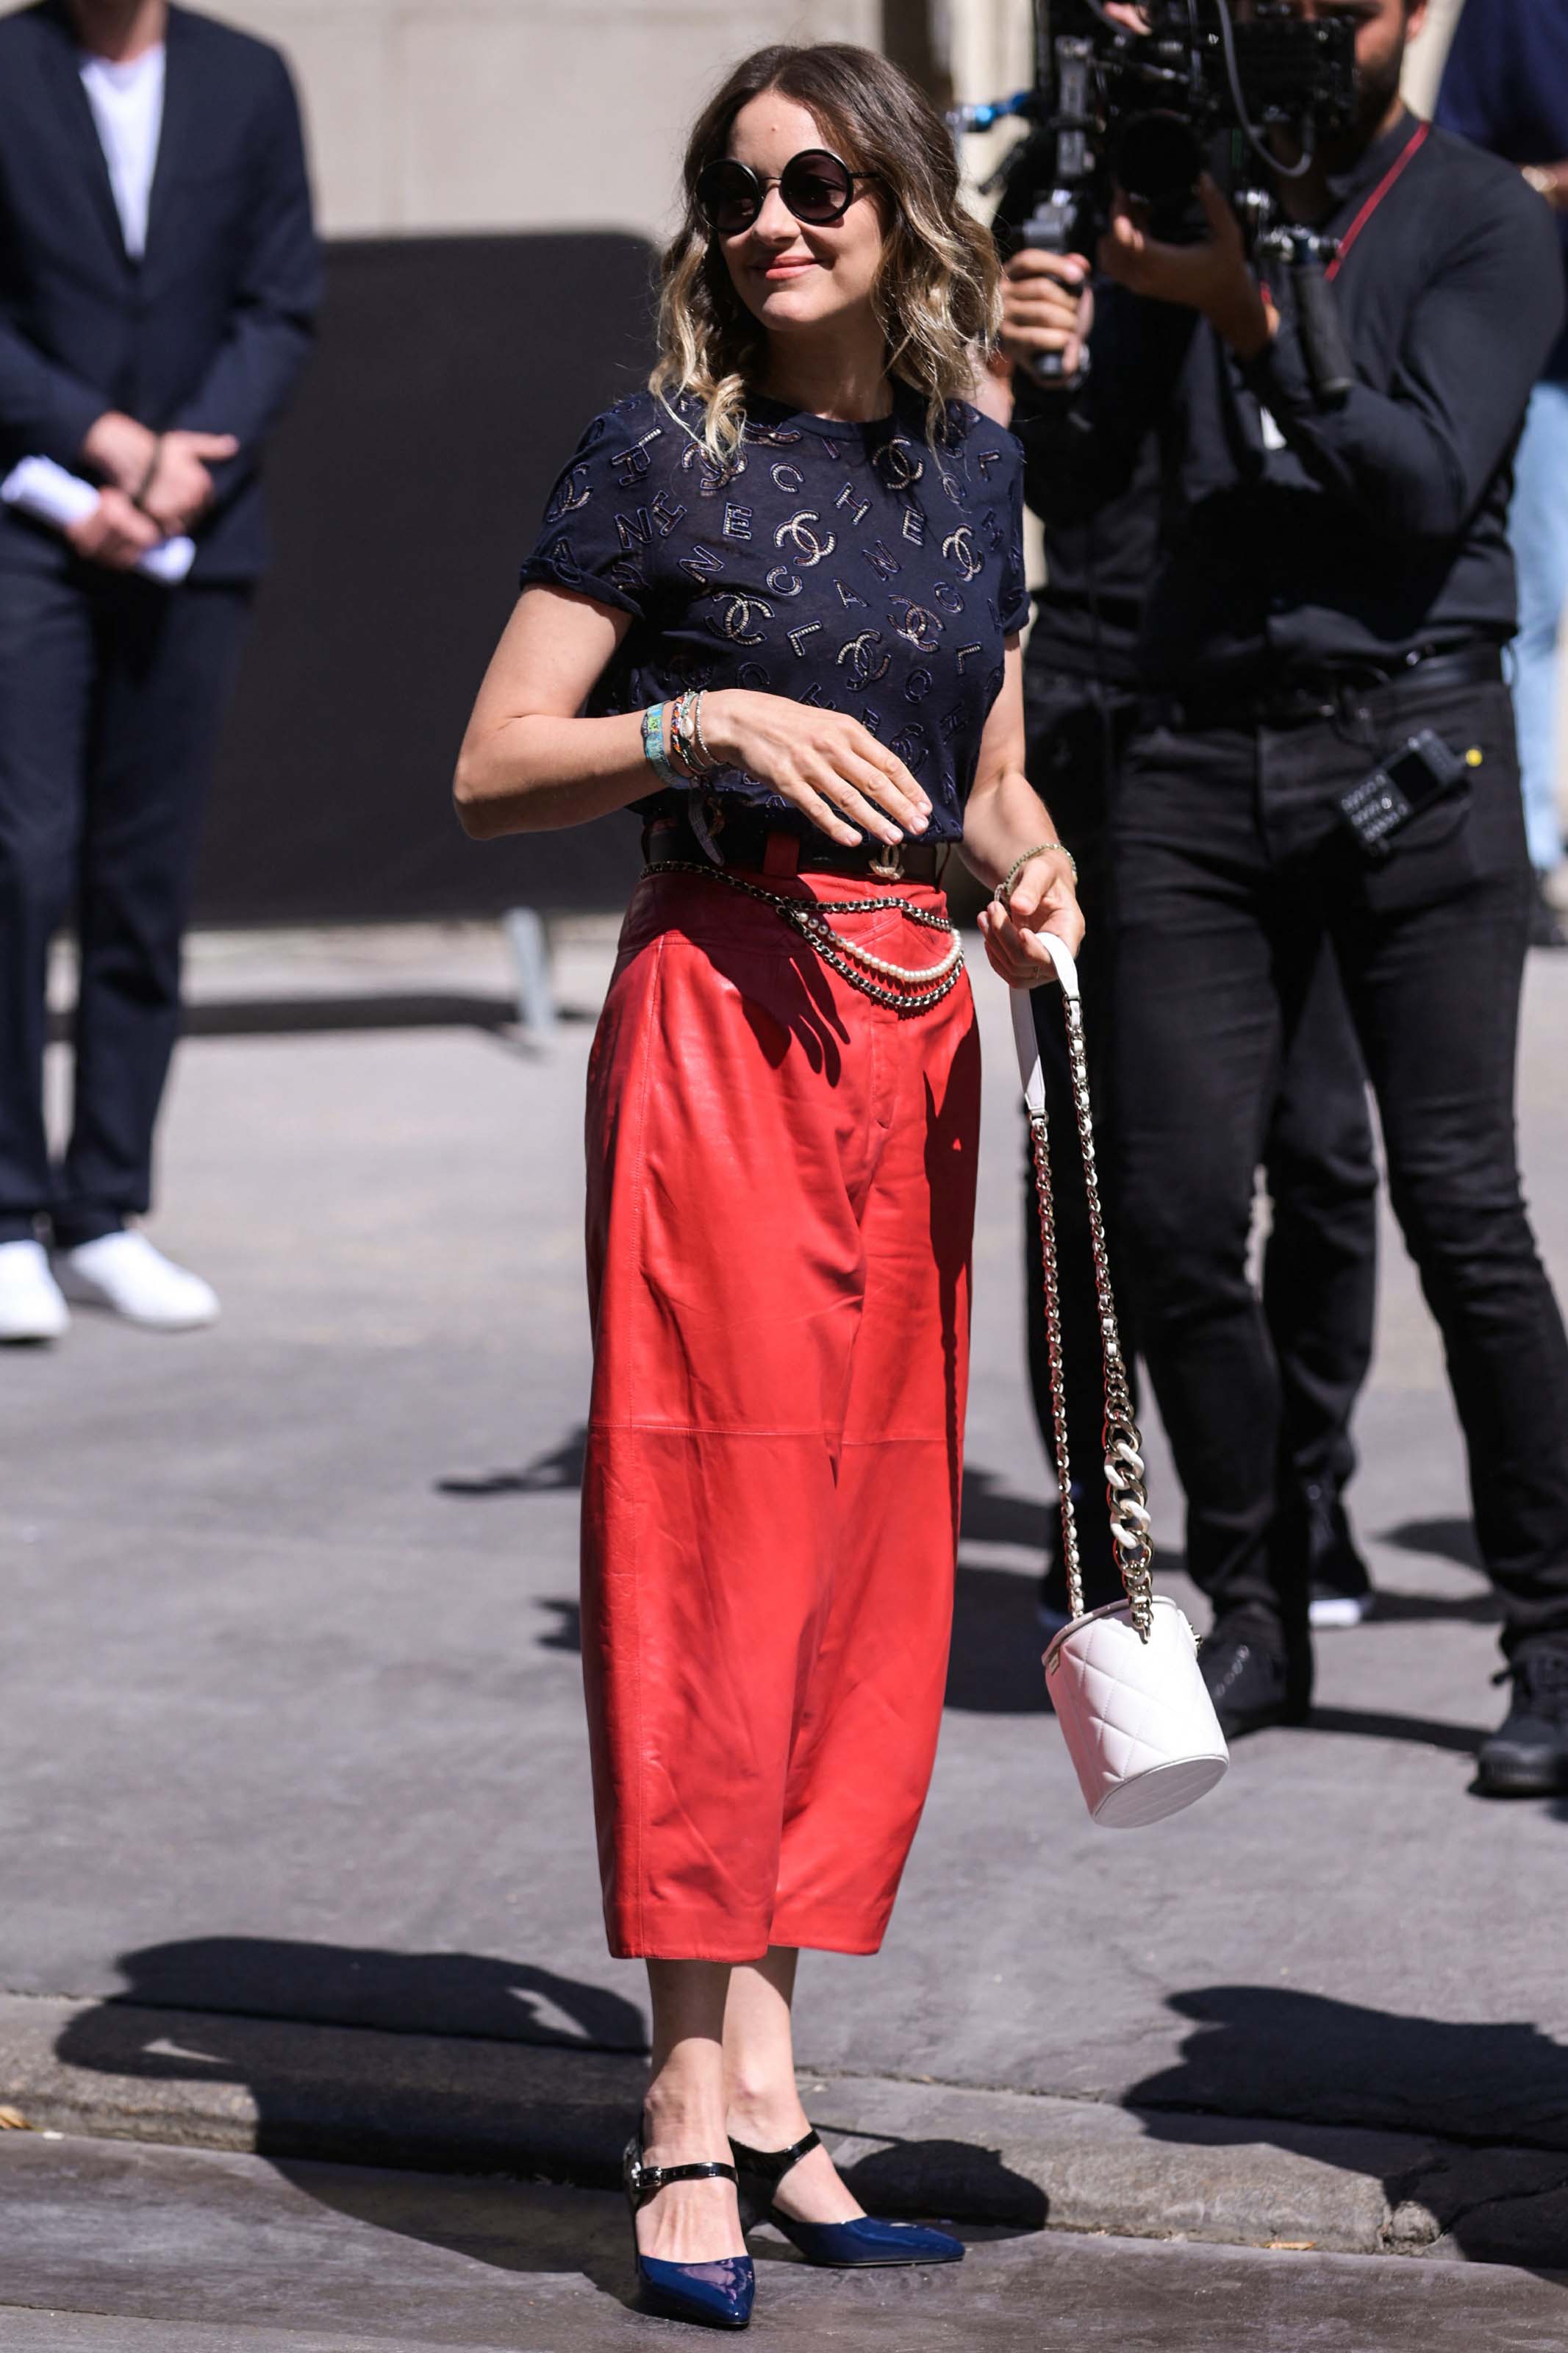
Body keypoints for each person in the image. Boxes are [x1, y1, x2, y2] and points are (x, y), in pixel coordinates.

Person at [456, 41, 1084, 2330]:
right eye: (736, 187)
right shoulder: (656, 455)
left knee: (861, 1559)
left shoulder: (974, 471)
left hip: (913, 1043)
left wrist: (1032, 883)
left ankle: (781, 2090)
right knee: (707, 1548)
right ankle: (676, 2116)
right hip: (721, 1027)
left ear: (902, 206)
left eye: (819, 179)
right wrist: (702, 724)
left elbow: (987, 781)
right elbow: (491, 762)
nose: (773, 217)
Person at [1003, 0, 1568, 1792]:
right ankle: (1254, 1601)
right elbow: (1088, 497)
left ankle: (1551, 1639)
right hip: (1186, 758)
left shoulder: (1476, 213)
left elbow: (1417, 482)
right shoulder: (1167, 199)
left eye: (1352, 5)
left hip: (1413, 745)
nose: (1313, 32)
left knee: (1455, 1207)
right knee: (1169, 1217)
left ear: (1414, 20)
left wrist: (1245, 307)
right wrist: (1052, 367)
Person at [987, 135, 1380, 1637]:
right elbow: (972, 423)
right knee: (1085, 1147)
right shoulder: (1057, 173)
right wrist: (1010, 349)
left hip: (1277, 698)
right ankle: (1097, 1509)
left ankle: (1303, 1496)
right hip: (1083, 689)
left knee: (1322, 1147)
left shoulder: (1299, 170)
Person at [0, 0, 318, 1340]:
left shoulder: (247, 78)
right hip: (27, 521)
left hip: (198, 526)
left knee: (145, 873)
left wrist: (184, 462)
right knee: (20, 858)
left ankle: (104, 1210)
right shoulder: (6, 68)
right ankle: (8, 1212)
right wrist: (102, 450)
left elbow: (280, 300)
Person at [1436, 0, 1568, 948]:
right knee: (1536, 603)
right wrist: (1555, 186)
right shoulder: (1516, 12)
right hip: (1548, 361)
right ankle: (1525, 851)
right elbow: (1459, 166)